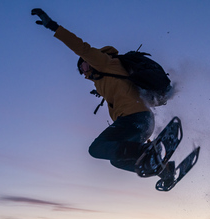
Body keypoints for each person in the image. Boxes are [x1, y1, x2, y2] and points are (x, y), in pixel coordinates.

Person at [31, 9, 174, 181]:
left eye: (82, 66)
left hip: (134, 119)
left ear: (88, 62)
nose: (83, 73)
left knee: (97, 148)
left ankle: (146, 152)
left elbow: (81, 47)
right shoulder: (104, 80)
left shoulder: (104, 62)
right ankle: (164, 170)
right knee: (117, 160)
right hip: (144, 124)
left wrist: (54, 27)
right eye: (81, 71)